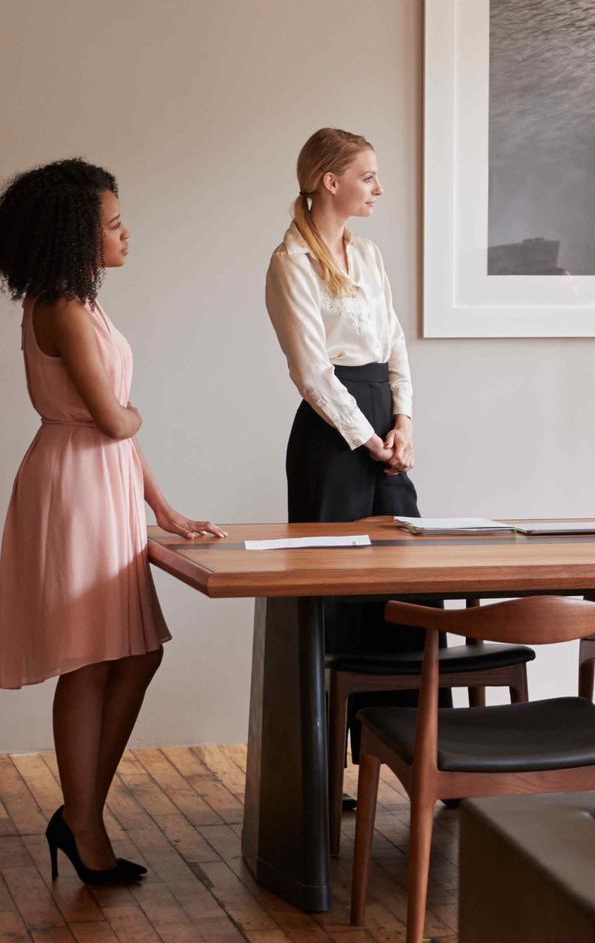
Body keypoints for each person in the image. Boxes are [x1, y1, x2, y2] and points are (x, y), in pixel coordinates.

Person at [0, 159, 225, 884]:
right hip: (76, 490)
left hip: (103, 483)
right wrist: (134, 417)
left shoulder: (81, 303)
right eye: (113, 223)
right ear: (74, 234)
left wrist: (162, 507)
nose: (126, 233)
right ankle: (83, 821)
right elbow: (110, 417)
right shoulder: (60, 308)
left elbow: (117, 428)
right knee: (94, 657)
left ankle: (79, 813)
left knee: (135, 652)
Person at [264, 128, 421, 737]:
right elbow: (311, 371)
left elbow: (393, 343)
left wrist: (403, 420)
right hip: (331, 437)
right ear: (331, 181)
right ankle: (326, 764)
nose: (379, 187)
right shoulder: (291, 262)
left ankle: (405, 746)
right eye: (368, 176)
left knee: (404, 583)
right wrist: (368, 437)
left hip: (381, 421)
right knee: (334, 596)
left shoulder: (369, 255)